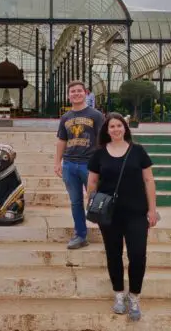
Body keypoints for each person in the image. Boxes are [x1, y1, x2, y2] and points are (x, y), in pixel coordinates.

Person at [87, 112, 158, 321]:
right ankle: (119, 294)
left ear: (125, 129)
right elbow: (92, 183)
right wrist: (91, 207)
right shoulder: (99, 154)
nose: (116, 129)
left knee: (138, 255)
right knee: (113, 254)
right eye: (112, 127)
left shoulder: (138, 151)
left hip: (136, 212)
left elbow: (149, 181)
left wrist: (152, 210)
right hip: (109, 215)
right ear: (106, 131)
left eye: (119, 126)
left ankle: (134, 296)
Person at [55, 80, 105, 249]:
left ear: (86, 93)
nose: (76, 94)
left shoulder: (96, 115)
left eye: (79, 91)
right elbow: (62, 140)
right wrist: (57, 162)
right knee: (76, 202)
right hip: (69, 165)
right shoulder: (65, 118)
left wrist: (101, 163)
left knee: (96, 199)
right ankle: (80, 235)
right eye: (73, 91)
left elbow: (102, 140)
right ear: (68, 96)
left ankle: (107, 232)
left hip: (89, 165)